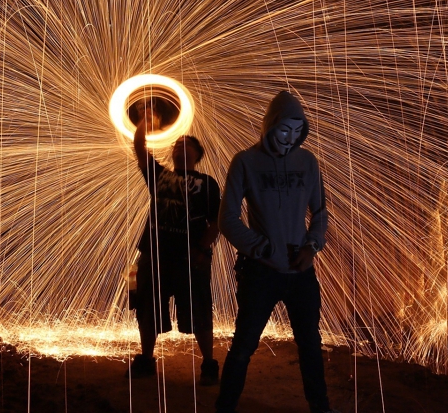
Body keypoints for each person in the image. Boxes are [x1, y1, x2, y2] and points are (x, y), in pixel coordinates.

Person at [215, 91, 337, 413]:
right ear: (270, 126)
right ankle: (224, 408)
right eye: (284, 130)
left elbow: (320, 211)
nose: (290, 138)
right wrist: (260, 248)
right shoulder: (245, 161)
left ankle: (320, 408)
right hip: (261, 272)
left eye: (298, 131)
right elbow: (227, 219)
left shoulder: (308, 162)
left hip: (300, 270)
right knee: (243, 345)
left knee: (310, 343)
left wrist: (312, 246)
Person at [127, 97, 222, 386]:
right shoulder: (160, 175)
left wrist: (202, 249)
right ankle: (146, 360)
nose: (180, 147)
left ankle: (209, 364)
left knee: (199, 311)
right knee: (146, 309)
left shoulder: (207, 183)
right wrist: (145, 120)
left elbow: (217, 221)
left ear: (197, 154)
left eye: (186, 145)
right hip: (154, 256)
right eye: (177, 145)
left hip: (189, 259)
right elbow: (139, 148)